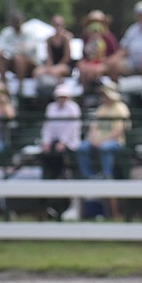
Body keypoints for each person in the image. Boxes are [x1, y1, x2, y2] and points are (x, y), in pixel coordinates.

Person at [76, 81, 130, 220]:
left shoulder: (120, 108)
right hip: (98, 141)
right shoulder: (101, 109)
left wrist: (102, 141)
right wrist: (94, 139)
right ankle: (87, 175)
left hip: (115, 142)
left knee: (105, 148)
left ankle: (107, 173)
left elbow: (119, 131)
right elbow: (93, 128)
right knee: (82, 148)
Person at [39, 84, 82, 219]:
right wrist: (46, 142)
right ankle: (48, 202)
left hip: (69, 144)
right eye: (59, 96)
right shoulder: (51, 108)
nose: (61, 99)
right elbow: (48, 128)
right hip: (54, 145)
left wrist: (62, 142)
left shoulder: (73, 108)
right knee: (48, 161)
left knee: (59, 163)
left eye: (64, 96)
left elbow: (72, 127)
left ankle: (58, 204)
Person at [0, 11, 39, 95]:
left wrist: (14, 49)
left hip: (31, 65)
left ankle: (20, 86)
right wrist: (18, 48)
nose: (17, 24)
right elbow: (1, 48)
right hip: (14, 64)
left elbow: (31, 48)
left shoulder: (29, 32)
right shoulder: (6, 33)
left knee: (19, 58)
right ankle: (4, 83)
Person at [76, 10, 119, 94]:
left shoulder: (109, 37)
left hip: (105, 63)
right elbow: (84, 55)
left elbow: (115, 54)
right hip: (90, 63)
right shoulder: (86, 37)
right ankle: (86, 93)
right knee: (82, 68)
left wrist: (103, 63)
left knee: (97, 70)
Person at [33, 14, 73, 90]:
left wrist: (55, 67)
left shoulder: (66, 39)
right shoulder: (49, 40)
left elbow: (67, 57)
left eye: (59, 24)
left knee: (55, 71)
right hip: (53, 65)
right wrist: (49, 67)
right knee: (37, 72)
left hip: (64, 65)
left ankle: (59, 90)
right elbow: (49, 57)